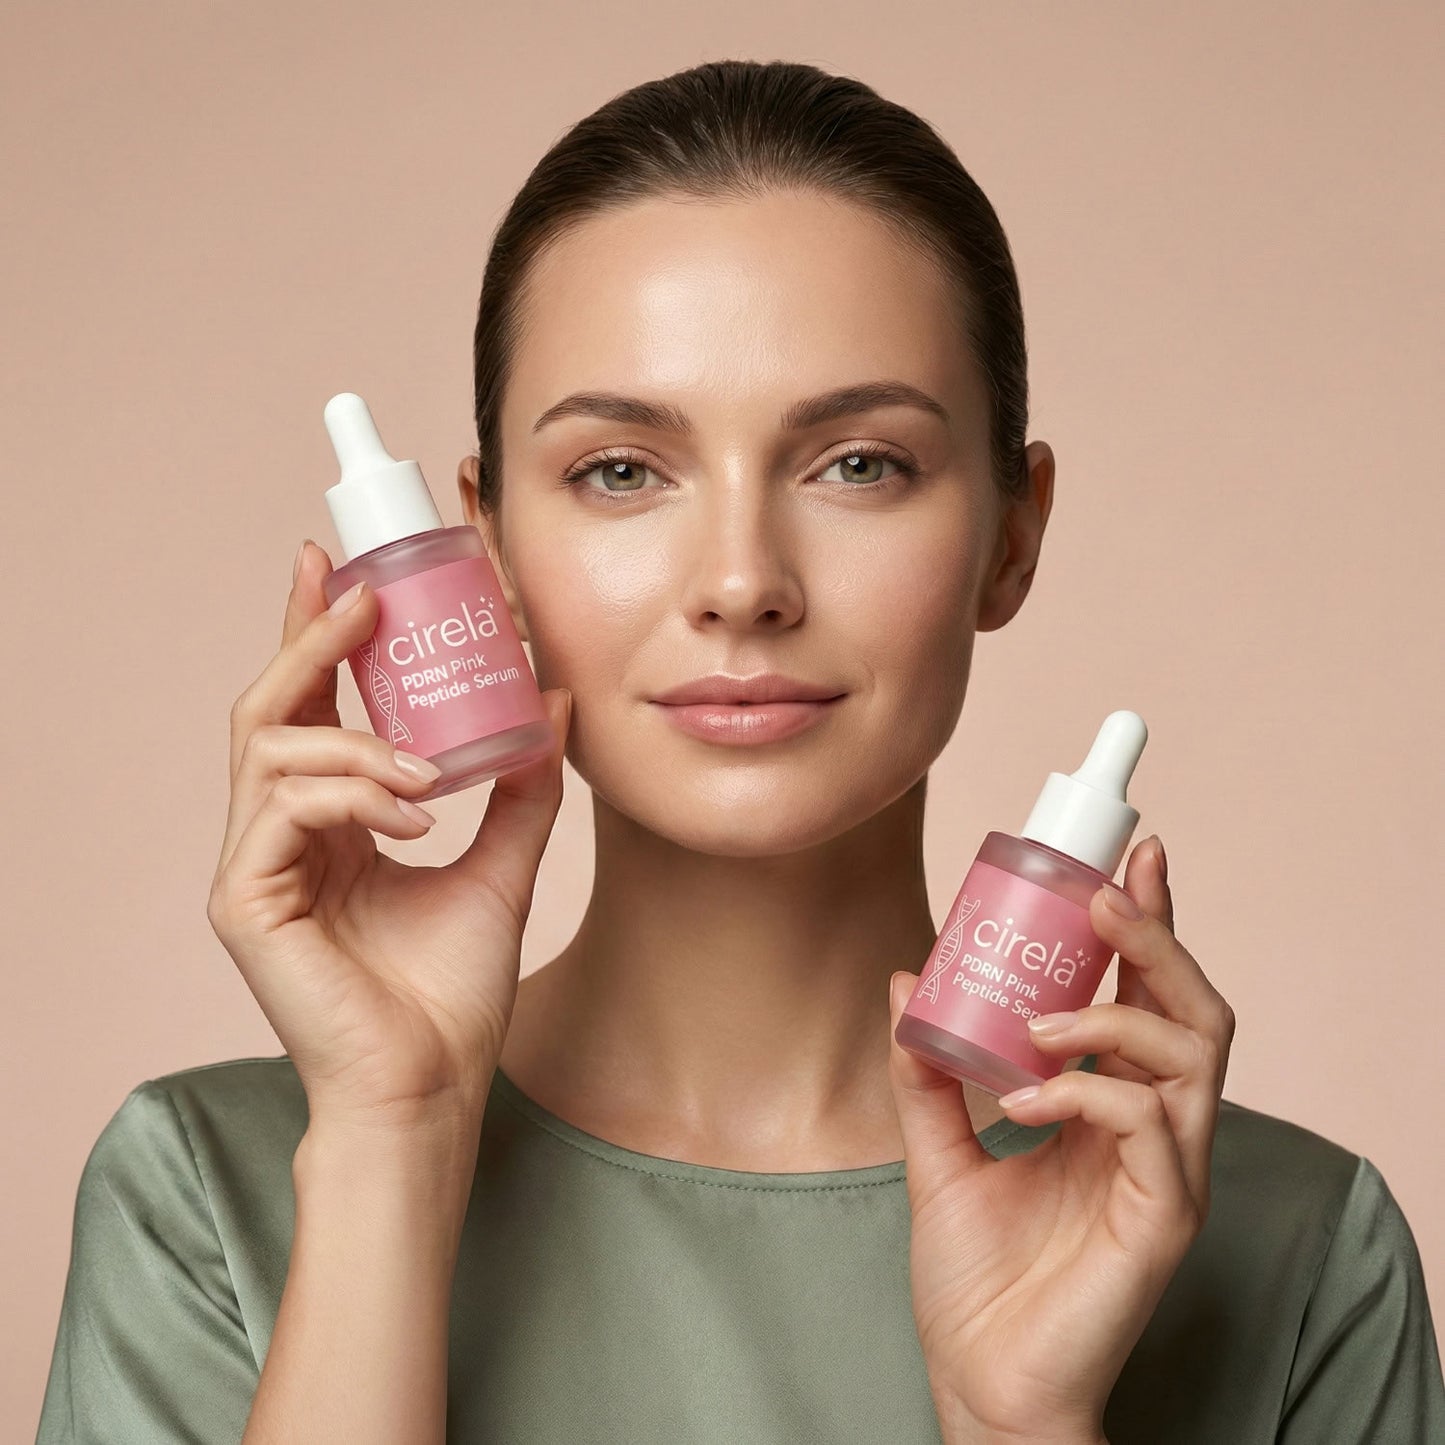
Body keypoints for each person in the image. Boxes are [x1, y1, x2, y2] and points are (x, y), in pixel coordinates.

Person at [38, 58, 1443, 1445]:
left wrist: (1023, 1424)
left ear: (1012, 533)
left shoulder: (1290, 1249)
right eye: (619, 470)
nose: (738, 580)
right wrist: (390, 1142)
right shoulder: (209, 1197)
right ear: (489, 549)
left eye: (856, 463)